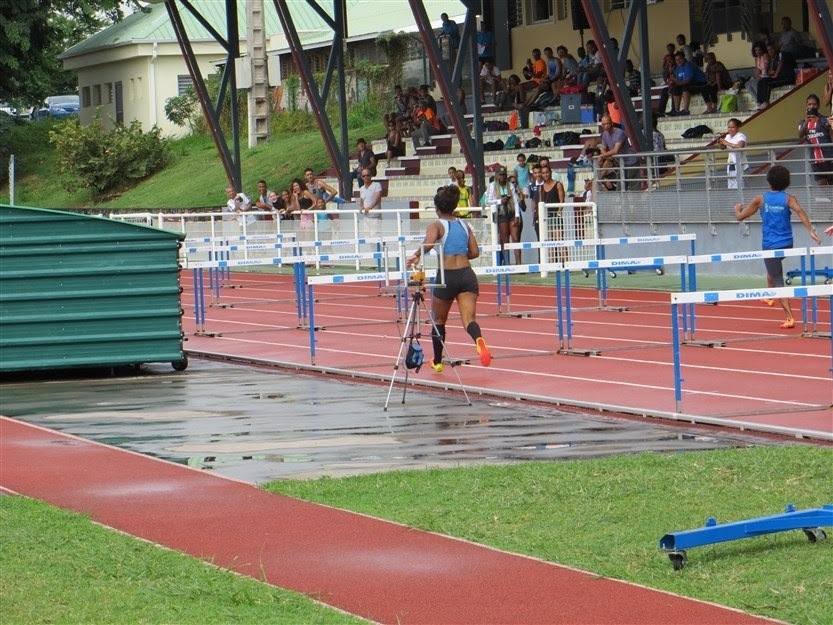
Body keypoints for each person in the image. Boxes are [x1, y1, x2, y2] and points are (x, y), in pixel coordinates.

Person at [406, 185, 491, 371]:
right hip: (467, 275)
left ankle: (437, 361)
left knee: (438, 321)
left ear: (437, 208)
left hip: (447, 276)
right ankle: (478, 340)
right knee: (469, 320)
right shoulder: (464, 225)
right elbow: (475, 252)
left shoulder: (436, 225)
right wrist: (459, 254)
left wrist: (416, 255)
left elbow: (429, 243)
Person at [734, 165, 820, 329]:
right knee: (772, 270)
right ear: (787, 183)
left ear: (768, 182)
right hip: (787, 243)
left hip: (771, 246)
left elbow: (740, 217)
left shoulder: (760, 199)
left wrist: (737, 209)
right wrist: (811, 231)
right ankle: (769, 296)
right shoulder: (789, 198)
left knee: (778, 280)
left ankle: (789, 317)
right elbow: (800, 212)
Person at [484, 166, 522, 265]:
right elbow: (487, 202)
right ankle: (507, 263)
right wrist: (500, 201)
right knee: (504, 239)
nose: (503, 177)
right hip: (501, 213)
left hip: (511, 212)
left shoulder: (510, 185)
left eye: (504, 175)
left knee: (515, 238)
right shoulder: (492, 186)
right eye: (500, 175)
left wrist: (517, 215)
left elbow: (515, 200)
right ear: (496, 175)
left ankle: (519, 264)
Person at [798, 93, 833, 186]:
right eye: (809, 104)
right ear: (806, 106)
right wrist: (806, 123)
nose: (812, 106)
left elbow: (831, 133)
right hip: (815, 160)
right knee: (822, 185)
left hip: (829, 158)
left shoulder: (825, 119)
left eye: (814, 104)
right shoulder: (803, 122)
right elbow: (800, 135)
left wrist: (820, 122)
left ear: (818, 106)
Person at [597, 114, 640, 190]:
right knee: (620, 188)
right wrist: (604, 154)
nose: (606, 126)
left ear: (612, 123)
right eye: (604, 124)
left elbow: (615, 150)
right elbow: (603, 148)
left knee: (634, 188)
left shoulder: (620, 132)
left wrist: (603, 155)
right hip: (621, 163)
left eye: (607, 123)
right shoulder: (604, 134)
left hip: (631, 161)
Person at [756, 41, 795, 110]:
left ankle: (765, 102)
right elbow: (773, 71)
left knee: (767, 82)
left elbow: (781, 63)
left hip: (787, 78)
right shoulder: (774, 59)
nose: (770, 51)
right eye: (768, 50)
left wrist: (775, 74)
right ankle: (760, 103)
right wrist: (770, 73)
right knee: (761, 81)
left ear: (775, 48)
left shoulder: (783, 53)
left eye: (771, 49)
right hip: (780, 77)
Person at [537, 165, 566, 257]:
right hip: (546, 217)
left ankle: (566, 262)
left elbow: (561, 200)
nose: (545, 175)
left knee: (559, 240)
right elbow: (540, 202)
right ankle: (552, 263)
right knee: (549, 242)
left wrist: (559, 213)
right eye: (543, 173)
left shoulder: (558, 184)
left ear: (550, 173)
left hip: (556, 216)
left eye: (547, 172)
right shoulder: (541, 188)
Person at [717, 118, 747, 189]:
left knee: (741, 187)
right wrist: (720, 143)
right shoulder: (728, 136)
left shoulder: (741, 136)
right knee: (731, 188)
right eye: (729, 127)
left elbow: (740, 146)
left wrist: (727, 143)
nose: (730, 129)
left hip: (741, 165)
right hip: (731, 165)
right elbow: (723, 147)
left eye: (733, 127)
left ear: (737, 127)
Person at [358, 167, 383, 238]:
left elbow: (377, 199)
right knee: (367, 237)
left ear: (371, 176)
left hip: (376, 217)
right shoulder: (361, 189)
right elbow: (361, 200)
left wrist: (370, 207)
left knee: (376, 237)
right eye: (364, 176)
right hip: (366, 217)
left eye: (367, 175)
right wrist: (361, 207)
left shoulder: (377, 185)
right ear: (361, 177)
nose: (366, 177)